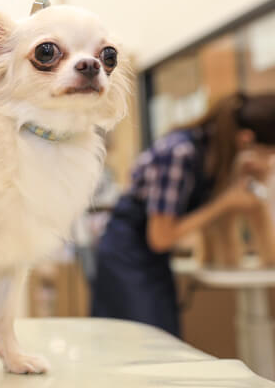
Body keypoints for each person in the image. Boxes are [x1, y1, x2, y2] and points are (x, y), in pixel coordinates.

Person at [91, 93, 275, 337]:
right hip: (127, 255)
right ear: (246, 140)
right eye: (269, 153)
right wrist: (223, 204)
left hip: (154, 258)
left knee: (164, 338)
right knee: (145, 342)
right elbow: (161, 237)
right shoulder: (179, 152)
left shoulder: (216, 159)